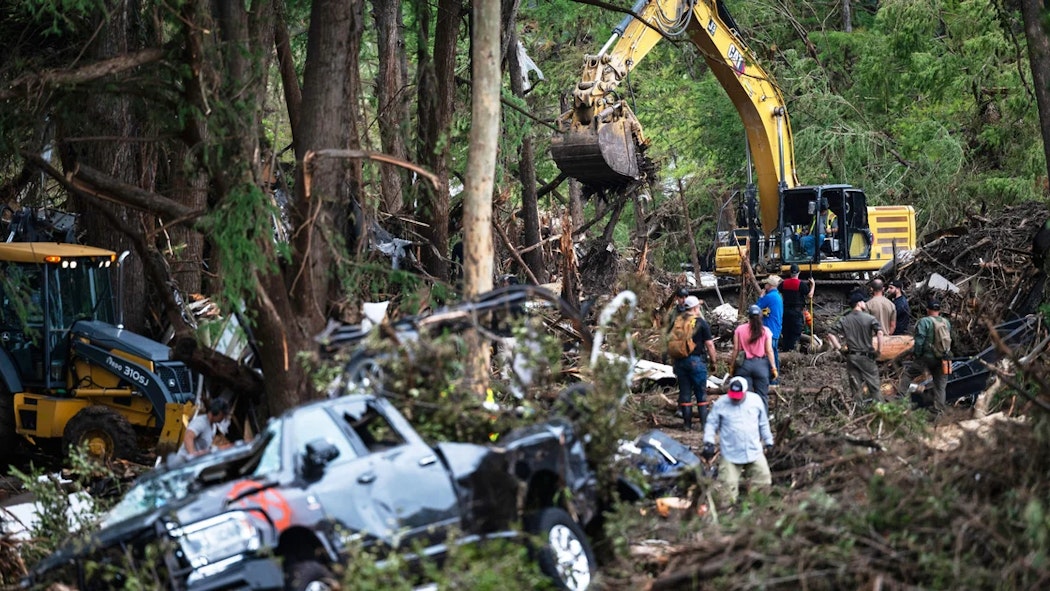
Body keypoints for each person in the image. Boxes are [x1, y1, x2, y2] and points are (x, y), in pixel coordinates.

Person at [701, 376, 774, 504]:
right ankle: (729, 515)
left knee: (764, 480)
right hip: (730, 454)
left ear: (745, 391)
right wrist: (708, 443)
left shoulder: (755, 401)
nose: (735, 398)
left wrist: (769, 442)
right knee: (727, 491)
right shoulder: (721, 404)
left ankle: (759, 511)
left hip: (754, 451)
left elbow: (763, 423)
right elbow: (711, 424)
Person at [827, 292, 884, 404]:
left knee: (856, 388)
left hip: (852, 357)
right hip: (867, 356)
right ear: (859, 303)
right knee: (874, 387)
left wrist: (840, 348)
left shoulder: (845, 319)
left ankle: (857, 412)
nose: (865, 303)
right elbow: (880, 333)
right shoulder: (870, 318)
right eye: (863, 301)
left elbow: (830, 334)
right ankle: (880, 411)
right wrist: (879, 351)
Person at [670, 296, 718, 430]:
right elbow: (709, 344)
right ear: (695, 308)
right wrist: (713, 361)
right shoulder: (701, 323)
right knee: (700, 394)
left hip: (680, 361)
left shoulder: (678, 321)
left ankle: (686, 425)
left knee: (685, 394)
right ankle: (704, 425)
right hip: (696, 361)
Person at [898, 299, 952, 413]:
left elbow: (919, 341)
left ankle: (901, 401)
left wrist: (916, 355)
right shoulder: (946, 322)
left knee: (908, 375)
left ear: (928, 309)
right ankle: (939, 410)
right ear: (939, 310)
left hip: (927, 358)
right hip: (943, 358)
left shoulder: (924, 321)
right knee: (940, 385)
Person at [729, 304, 777, 410]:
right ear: (761, 316)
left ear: (748, 317)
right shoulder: (766, 331)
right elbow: (769, 351)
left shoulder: (739, 330)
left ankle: (747, 420)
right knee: (762, 396)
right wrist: (773, 367)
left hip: (744, 366)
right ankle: (762, 420)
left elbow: (736, 350)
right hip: (761, 366)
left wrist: (732, 366)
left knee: (746, 397)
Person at [779, 263, 814, 352]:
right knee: (795, 333)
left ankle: (785, 350)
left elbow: (778, 291)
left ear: (790, 273)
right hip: (797, 312)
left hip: (785, 311)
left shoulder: (784, 283)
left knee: (786, 332)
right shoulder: (801, 284)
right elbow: (810, 296)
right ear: (799, 273)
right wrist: (813, 285)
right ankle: (793, 351)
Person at [756, 275, 783, 381]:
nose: (764, 285)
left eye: (766, 284)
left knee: (768, 355)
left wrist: (761, 297)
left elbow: (757, 308)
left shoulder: (769, 297)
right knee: (774, 355)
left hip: (769, 330)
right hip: (776, 329)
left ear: (770, 285)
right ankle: (776, 378)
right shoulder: (778, 296)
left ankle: (770, 380)